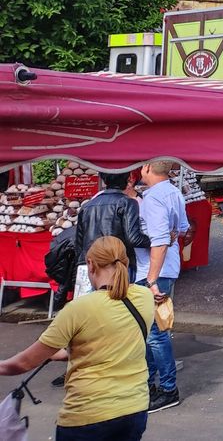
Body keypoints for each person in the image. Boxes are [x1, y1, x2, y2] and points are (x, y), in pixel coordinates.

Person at [0, 237, 151, 439]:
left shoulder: (78, 309)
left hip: (88, 416)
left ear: (90, 264)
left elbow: (24, 363)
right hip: (134, 410)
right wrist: (65, 354)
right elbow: (110, 343)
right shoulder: (145, 297)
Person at [134, 159, 190, 413]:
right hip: (166, 266)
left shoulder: (154, 197)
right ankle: (152, 385)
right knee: (153, 331)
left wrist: (152, 280)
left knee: (155, 333)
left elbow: (159, 239)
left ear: (147, 168)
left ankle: (168, 389)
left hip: (153, 270)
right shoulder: (173, 191)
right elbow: (182, 229)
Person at [73, 171, 151, 280]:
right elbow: (134, 238)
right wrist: (156, 241)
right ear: (128, 179)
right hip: (117, 263)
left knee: (94, 297)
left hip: (91, 265)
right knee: (118, 296)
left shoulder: (87, 206)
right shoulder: (128, 203)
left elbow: (79, 244)